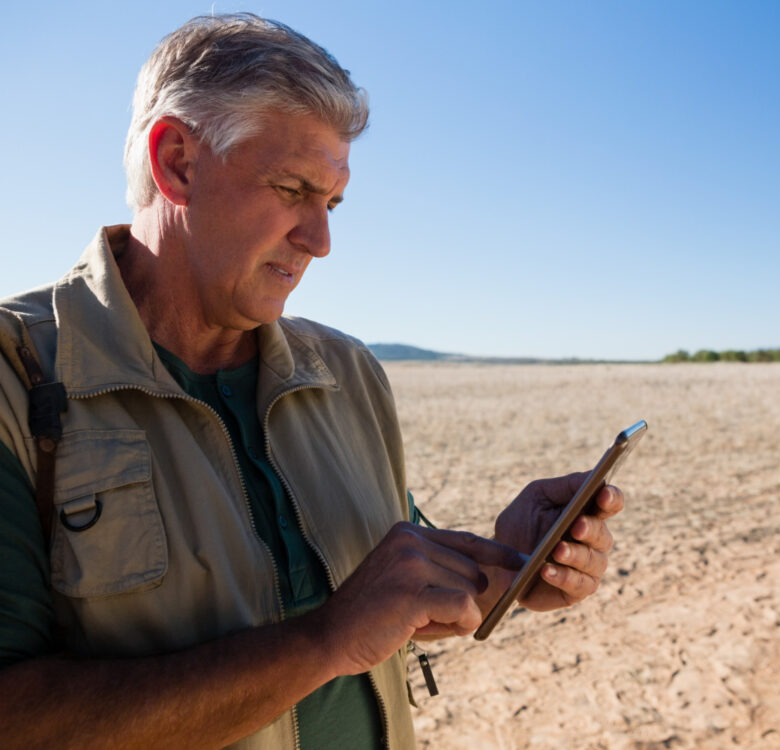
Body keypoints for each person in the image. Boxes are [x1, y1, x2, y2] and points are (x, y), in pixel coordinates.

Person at [0, 14, 624, 749]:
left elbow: (393, 601)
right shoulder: (19, 375)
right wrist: (323, 642)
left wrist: (512, 570)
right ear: (177, 164)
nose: (321, 242)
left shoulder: (346, 373)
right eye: (293, 189)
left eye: (331, 203)